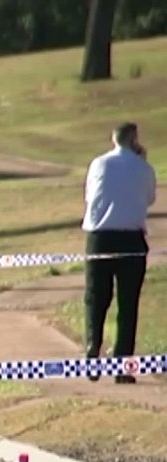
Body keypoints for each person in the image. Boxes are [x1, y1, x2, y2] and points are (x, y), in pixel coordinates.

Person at [81, 122, 157, 384]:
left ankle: (92, 348)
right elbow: (148, 199)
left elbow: (90, 195)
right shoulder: (144, 168)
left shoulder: (98, 164)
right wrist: (141, 160)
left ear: (113, 139)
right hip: (130, 240)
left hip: (99, 237)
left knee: (95, 297)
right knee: (127, 303)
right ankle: (122, 365)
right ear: (134, 139)